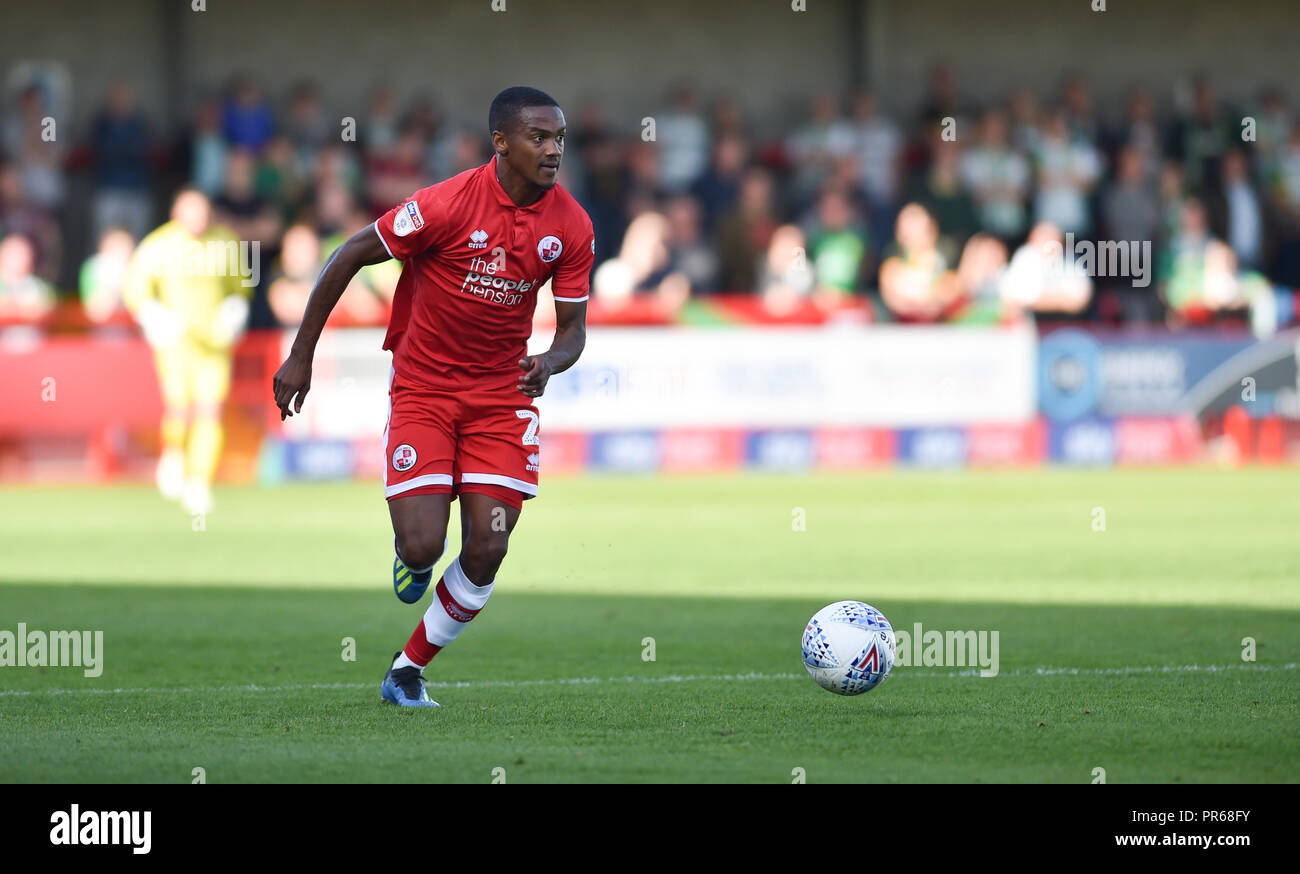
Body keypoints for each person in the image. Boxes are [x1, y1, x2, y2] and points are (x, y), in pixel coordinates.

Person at [272, 87, 594, 709]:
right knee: (423, 544)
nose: (553, 150)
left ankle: (408, 670)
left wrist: (550, 361)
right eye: (539, 138)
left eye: (559, 138)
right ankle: (413, 560)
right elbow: (351, 253)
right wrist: (301, 354)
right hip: (424, 388)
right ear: (501, 142)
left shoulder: (572, 225)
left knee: (488, 544)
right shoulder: (446, 203)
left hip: (503, 396)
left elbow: (574, 329)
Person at [123, 189, 251, 515]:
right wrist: (152, 314)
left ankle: (199, 482)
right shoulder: (158, 244)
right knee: (179, 409)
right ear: (176, 212)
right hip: (175, 343)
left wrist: (234, 311)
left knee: (210, 411)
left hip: (213, 344)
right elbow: (136, 288)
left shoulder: (226, 242)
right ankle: (175, 452)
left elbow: (241, 287)